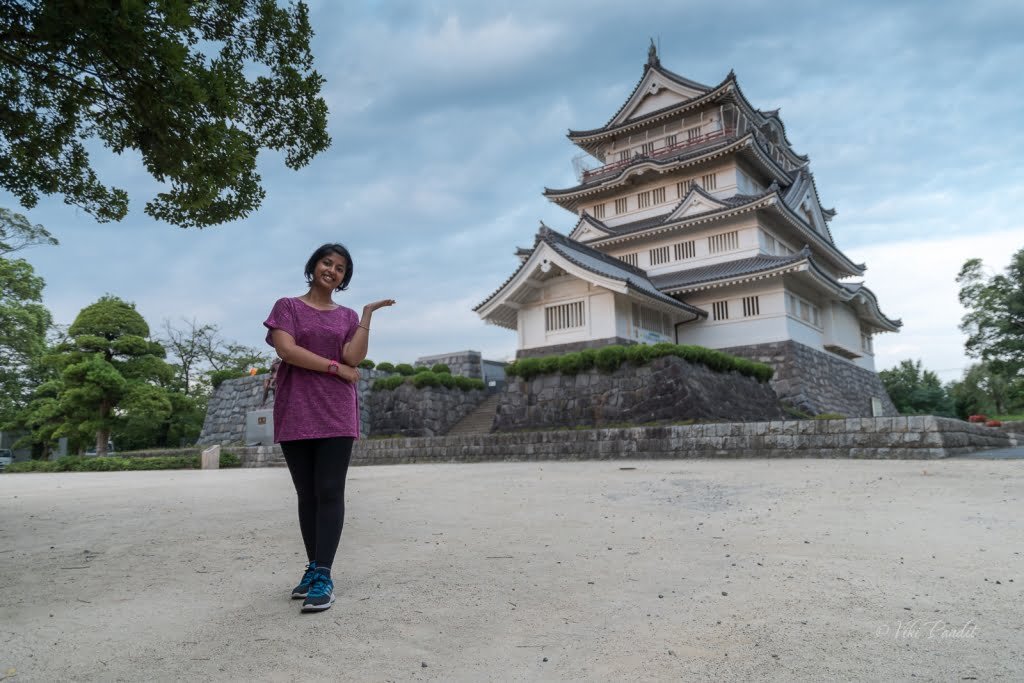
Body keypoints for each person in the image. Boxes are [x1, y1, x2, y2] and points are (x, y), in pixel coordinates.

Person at [263, 243, 395, 612]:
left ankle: (323, 573)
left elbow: (354, 356)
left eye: (340, 268)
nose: (332, 270)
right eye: (327, 263)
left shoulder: (348, 315)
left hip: (337, 411)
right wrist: (336, 368)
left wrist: (367, 315)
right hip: (296, 410)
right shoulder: (287, 306)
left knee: (330, 490)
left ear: (344, 278)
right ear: (313, 266)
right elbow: (286, 350)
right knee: (307, 494)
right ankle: (313, 567)